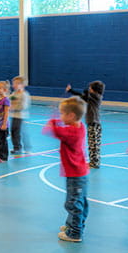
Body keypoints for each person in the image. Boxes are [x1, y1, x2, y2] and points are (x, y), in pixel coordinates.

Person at [44, 97, 89, 243]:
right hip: (80, 172)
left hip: (75, 173)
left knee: (73, 203)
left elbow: (55, 131)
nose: (61, 116)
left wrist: (52, 120)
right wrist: (57, 120)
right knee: (79, 201)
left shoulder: (71, 132)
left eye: (63, 114)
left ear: (71, 116)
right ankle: (73, 225)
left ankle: (75, 232)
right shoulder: (80, 126)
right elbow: (61, 130)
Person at [66, 81, 105, 168]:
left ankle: (94, 163)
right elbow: (82, 95)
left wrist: (87, 89)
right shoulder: (92, 97)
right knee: (93, 144)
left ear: (94, 90)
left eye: (91, 88)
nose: (89, 89)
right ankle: (94, 162)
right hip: (93, 123)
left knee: (93, 144)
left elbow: (84, 93)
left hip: (93, 123)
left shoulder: (95, 97)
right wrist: (71, 91)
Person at [9, 76, 31, 155]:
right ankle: (16, 147)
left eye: (17, 83)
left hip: (20, 116)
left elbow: (24, 106)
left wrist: (14, 108)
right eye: (14, 83)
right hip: (14, 115)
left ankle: (24, 147)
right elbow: (9, 100)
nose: (14, 85)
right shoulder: (14, 93)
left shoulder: (24, 94)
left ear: (22, 85)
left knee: (18, 132)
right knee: (13, 131)